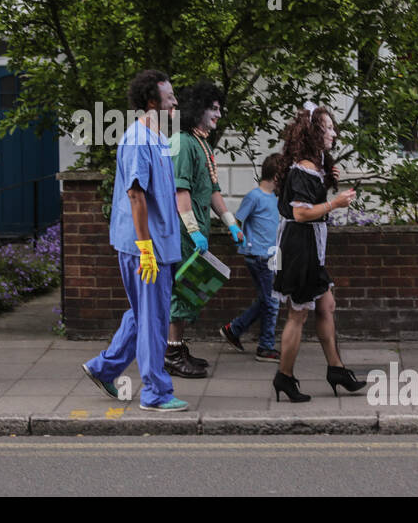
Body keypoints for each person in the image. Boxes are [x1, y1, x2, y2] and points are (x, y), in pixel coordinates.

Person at [81, 70, 189, 411]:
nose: (175, 101)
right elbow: (136, 196)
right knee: (154, 320)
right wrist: (146, 250)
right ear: (152, 102)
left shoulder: (157, 138)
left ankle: (104, 368)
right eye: (169, 96)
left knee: (144, 314)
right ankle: (156, 393)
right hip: (148, 247)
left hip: (159, 244)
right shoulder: (139, 139)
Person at [270, 103, 368, 402]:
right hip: (300, 247)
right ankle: (284, 377)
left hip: (307, 245)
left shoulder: (315, 165)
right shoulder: (305, 168)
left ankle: (336, 369)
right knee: (298, 314)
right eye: (328, 128)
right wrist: (334, 204)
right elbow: (301, 214)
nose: (334, 133)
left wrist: (329, 177)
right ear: (314, 133)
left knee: (326, 306)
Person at [166, 81, 244, 378]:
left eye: (219, 108)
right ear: (197, 109)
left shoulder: (201, 143)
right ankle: (171, 353)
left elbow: (211, 189)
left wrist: (231, 223)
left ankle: (179, 346)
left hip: (195, 232)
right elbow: (180, 191)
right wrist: (193, 230)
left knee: (190, 289)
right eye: (213, 108)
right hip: (184, 232)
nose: (218, 114)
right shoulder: (183, 143)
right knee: (182, 290)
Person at [219, 153, 283, 362]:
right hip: (258, 256)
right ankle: (265, 347)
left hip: (271, 256)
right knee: (272, 302)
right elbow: (237, 220)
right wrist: (237, 234)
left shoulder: (274, 198)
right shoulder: (255, 196)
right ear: (276, 176)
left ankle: (234, 329)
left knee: (266, 300)